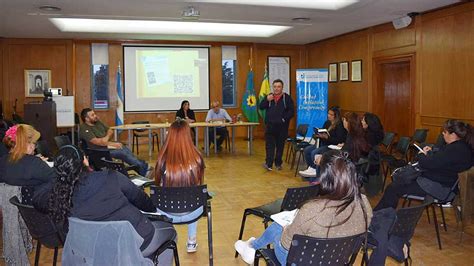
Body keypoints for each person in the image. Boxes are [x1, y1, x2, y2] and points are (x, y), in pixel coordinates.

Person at [234, 150, 373, 265]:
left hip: (302, 262)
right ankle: (252, 246)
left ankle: (252, 247)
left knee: (279, 227)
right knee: (286, 226)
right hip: (338, 260)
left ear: (324, 178)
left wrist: (286, 229)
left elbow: (285, 243)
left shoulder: (313, 209)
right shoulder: (364, 203)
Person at [46, 145, 177, 262]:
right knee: (171, 232)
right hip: (139, 241)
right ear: (84, 160)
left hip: (96, 250)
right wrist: (153, 208)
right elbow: (141, 200)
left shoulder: (60, 195)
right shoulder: (111, 177)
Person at [374, 119, 474, 211]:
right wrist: (431, 154)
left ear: (453, 135)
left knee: (393, 188)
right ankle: (382, 214)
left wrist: (422, 154)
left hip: (439, 188)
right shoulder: (462, 147)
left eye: (445, 132)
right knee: (400, 183)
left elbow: (426, 163)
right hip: (440, 183)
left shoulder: (454, 149)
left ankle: (380, 215)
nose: (443, 134)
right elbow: (441, 161)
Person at [154, 119, 205, 253]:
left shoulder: (162, 159)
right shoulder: (198, 158)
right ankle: (192, 241)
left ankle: (168, 240)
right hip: (192, 212)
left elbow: (158, 184)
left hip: (166, 212)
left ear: (169, 135)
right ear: (189, 136)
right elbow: (198, 184)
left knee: (168, 195)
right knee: (195, 195)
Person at [79, 108, 150, 176]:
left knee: (124, 148)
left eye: (94, 114)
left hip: (106, 146)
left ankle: (141, 167)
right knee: (122, 153)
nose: (95, 116)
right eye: (92, 115)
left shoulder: (98, 122)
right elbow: (98, 142)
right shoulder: (84, 128)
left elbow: (110, 130)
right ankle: (143, 168)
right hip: (98, 151)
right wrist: (111, 143)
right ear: (86, 119)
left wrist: (106, 138)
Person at [0, 124, 55, 206]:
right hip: (38, 211)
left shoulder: (2, 162)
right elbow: (57, 179)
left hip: (11, 211)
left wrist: (36, 161)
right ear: (25, 143)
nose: (34, 147)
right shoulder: (34, 163)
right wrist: (39, 163)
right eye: (34, 143)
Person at [299, 106, 347, 178]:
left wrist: (328, 137)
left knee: (314, 152)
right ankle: (312, 168)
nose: (328, 116)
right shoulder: (327, 122)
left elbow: (339, 140)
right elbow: (323, 130)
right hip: (323, 143)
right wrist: (319, 134)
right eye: (328, 113)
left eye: (331, 115)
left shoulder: (339, 125)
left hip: (331, 146)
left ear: (336, 116)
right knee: (307, 150)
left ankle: (316, 172)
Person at [259, 79, 294, 171]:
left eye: (278, 87)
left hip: (282, 127)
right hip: (270, 126)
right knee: (269, 146)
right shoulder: (269, 96)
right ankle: (268, 164)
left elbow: (291, 112)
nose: (276, 88)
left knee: (280, 146)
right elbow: (261, 106)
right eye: (275, 86)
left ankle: (278, 163)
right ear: (272, 87)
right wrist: (266, 100)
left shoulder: (287, 98)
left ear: (282, 87)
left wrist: (283, 119)